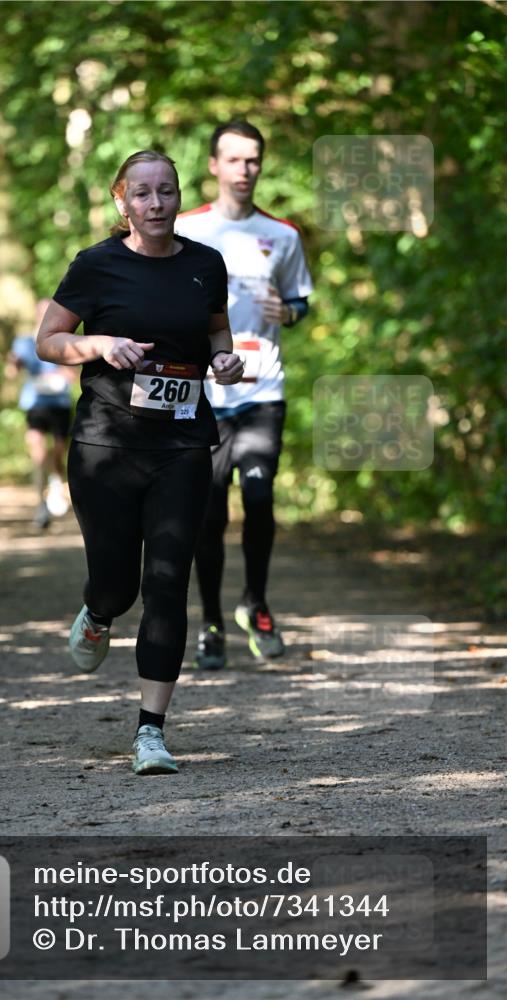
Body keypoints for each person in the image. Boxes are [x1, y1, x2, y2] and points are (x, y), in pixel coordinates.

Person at [36, 150, 243, 775]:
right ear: (121, 201)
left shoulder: (206, 265)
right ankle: (98, 611)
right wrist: (98, 343)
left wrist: (225, 360)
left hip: (181, 443)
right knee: (117, 583)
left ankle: (151, 731)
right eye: (144, 194)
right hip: (105, 445)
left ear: (180, 198)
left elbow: (215, 333)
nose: (156, 205)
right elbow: (47, 341)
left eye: (167, 192)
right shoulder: (96, 265)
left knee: (167, 584)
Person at [176, 121, 313, 669]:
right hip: (202, 393)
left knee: (259, 498)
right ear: (213, 165)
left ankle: (255, 602)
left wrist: (292, 311)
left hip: (263, 389)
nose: (244, 170)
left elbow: (301, 299)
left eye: (253, 160)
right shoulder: (185, 228)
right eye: (233, 160)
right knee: (209, 515)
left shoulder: (283, 235)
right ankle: (209, 621)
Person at [6, 298, 75, 529]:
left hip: (60, 403)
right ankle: (40, 504)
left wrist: (59, 376)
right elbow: (11, 372)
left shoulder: (65, 340)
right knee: (37, 449)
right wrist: (13, 364)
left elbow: (72, 375)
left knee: (57, 451)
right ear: (36, 315)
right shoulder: (24, 342)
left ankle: (56, 481)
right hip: (34, 403)